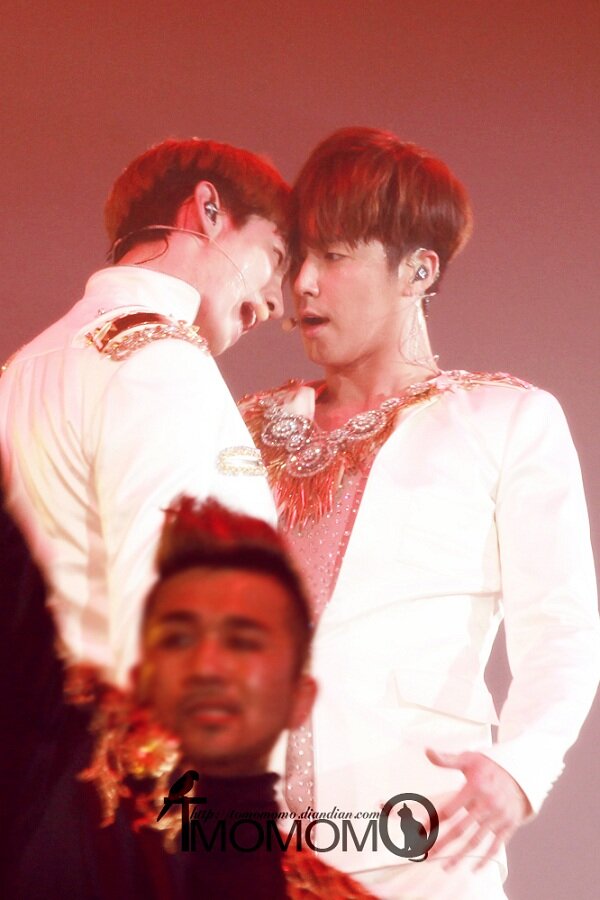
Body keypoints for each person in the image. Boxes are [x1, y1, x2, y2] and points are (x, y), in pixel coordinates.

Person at [240, 126, 600, 898]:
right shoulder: (244, 425)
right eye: (299, 257)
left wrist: (522, 766)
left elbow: (564, 630)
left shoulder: (505, 420)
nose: (304, 283)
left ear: (418, 270)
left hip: (421, 855)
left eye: (335, 256)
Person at [0, 137, 288, 686]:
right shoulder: (163, 362)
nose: (275, 301)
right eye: (274, 256)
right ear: (207, 210)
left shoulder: (24, 366)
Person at [7, 497, 376, 899]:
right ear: (143, 678)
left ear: (298, 698)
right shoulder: (59, 773)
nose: (208, 665)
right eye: (179, 638)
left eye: (243, 641)